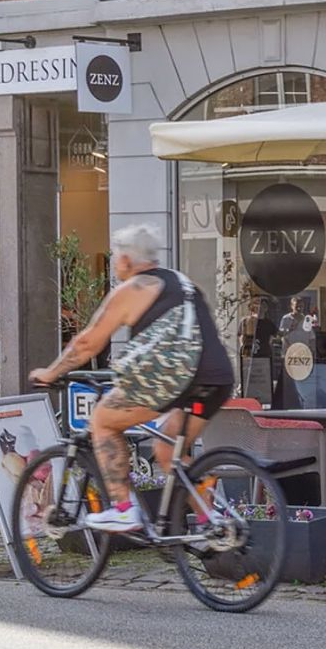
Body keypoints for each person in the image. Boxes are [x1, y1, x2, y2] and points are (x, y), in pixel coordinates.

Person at [29, 224, 234, 533]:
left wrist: (51, 372)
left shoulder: (133, 289)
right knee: (167, 453)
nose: (113, 262)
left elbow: (87, 343)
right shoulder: (183, 282)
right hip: (214, 380)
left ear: (125, 260)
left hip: (176, 378)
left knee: (103, 421)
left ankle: (124, 509)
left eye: (114, 256)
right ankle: (216, 525)